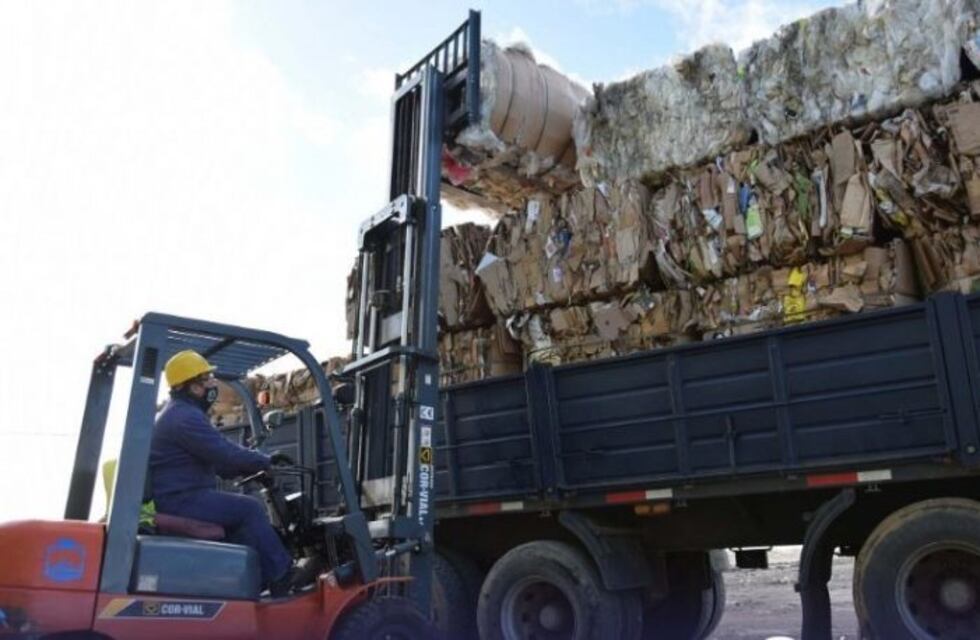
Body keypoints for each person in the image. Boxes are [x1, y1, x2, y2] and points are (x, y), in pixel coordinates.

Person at [149, 349, 298, 596]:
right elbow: (224, 452)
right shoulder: (183, 417)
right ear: (193, 386)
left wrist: (242, 469)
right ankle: (282, 574)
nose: (212, 384)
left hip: (179, 496)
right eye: (207, 379)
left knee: (240, 518)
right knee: (249, 508)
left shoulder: (178, 413)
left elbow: (217, 461)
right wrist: (266, 461)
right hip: (181, 500)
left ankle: (255, 579)